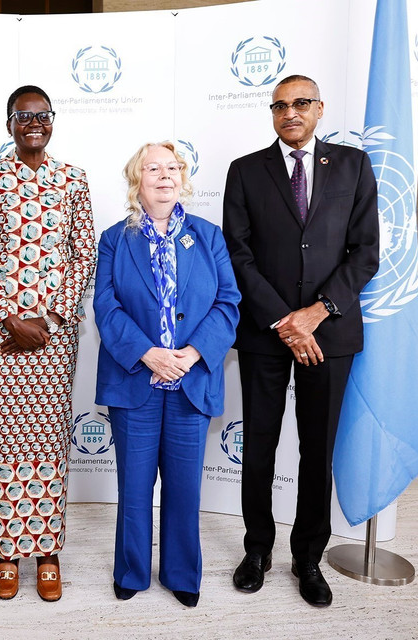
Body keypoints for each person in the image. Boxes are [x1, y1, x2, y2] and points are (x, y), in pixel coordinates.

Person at [223, 74, 379, 607]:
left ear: (319, 108)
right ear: (272, 113)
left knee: (317, 450)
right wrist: (284, 321)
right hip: (265, 333)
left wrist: (315, 314)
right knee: (259, 447)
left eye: (300, 103)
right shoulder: (245, 170)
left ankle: (308, 558)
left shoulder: (353, 165)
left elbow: (365, 251)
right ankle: (257, 550)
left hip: (329, 333)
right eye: (280, 106)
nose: (290, 112)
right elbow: (238, 255)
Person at [0, 85, 97, 601]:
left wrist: (51, 316)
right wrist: (10, 318)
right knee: (4, 440)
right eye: (24, 116)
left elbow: (83, 253)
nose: (34, 123)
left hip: (55, 335)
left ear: (53, 121)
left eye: (43, 115)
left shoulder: (73, 179)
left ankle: (47, 551)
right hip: (1, 335)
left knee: (48, 439)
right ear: (9, 124)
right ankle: (5, 551)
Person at [94, 142, 240, 607]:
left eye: (172, 167)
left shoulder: (208, 236)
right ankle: (132, 571)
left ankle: (181, 574)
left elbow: (228, 302)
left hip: (190, 384)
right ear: (136, 179)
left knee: (184, 489)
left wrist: (193, 354)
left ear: (183, 178)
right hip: (135, 382)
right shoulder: (115, 239)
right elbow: (106, 306)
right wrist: (147, 354)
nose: (164, 175)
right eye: (153, 168)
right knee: (134, 489)